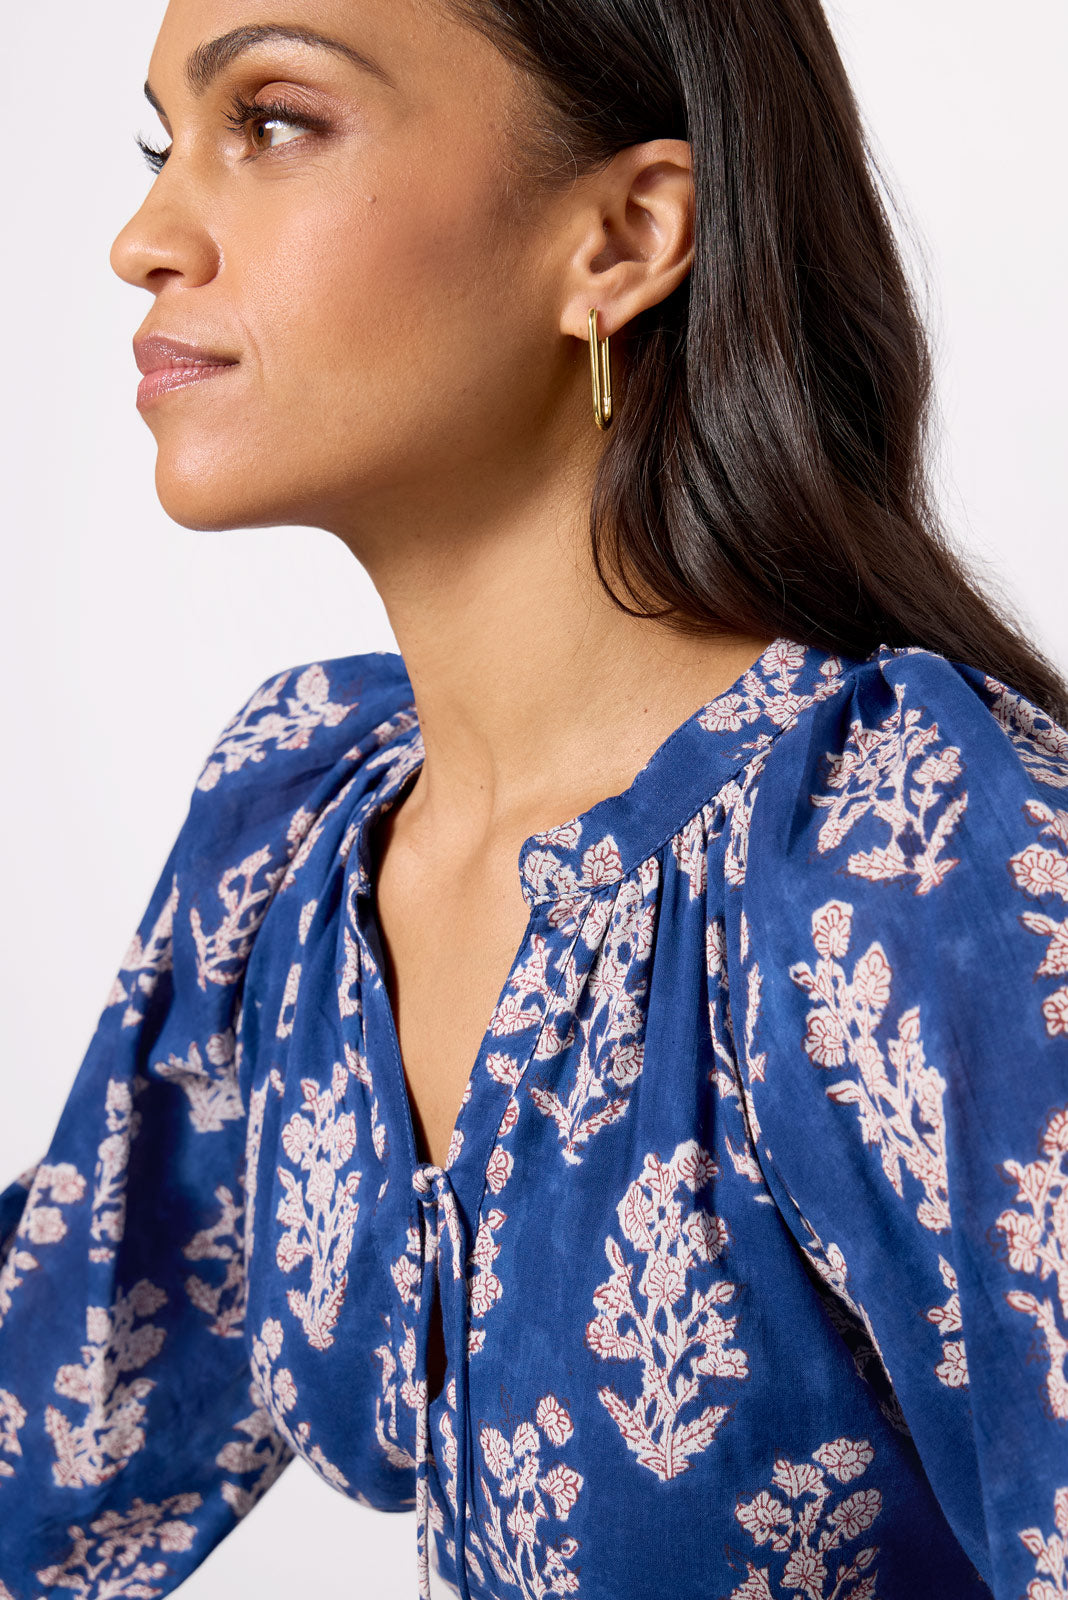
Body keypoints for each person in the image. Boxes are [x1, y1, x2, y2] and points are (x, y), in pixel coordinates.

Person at [1, 0, 1065, 1594]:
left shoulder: (907, 864)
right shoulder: (297, 846)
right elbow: (50, 1430)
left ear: (621, 239)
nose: (144, 239)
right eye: (165, 143)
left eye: (274, 122)